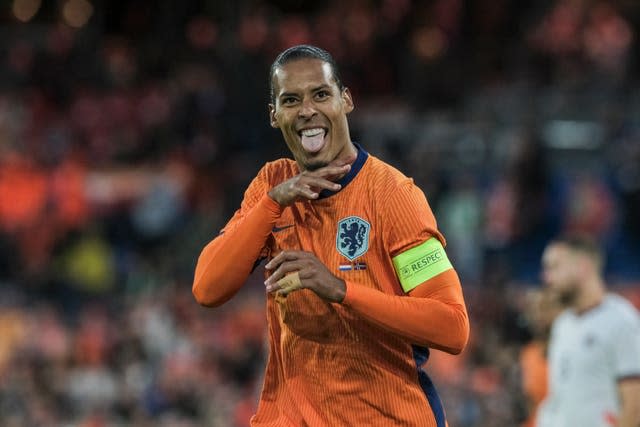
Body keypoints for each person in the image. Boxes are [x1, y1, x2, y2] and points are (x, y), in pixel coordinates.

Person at [192, 44, 469, 426]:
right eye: (291, 100)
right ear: (275, 116)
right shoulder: (272, 185)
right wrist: (272, 204)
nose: (307, 110)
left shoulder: (393, 196)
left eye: (320, 94)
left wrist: (340, 289)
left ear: (346, 100)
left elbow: (452, 326)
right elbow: (207, 288)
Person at [536, 235, 640, 427]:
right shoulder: (562, 325)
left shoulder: (622, 321)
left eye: (555, 266)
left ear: (583, 267)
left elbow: (635, 406)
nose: (547, 277)